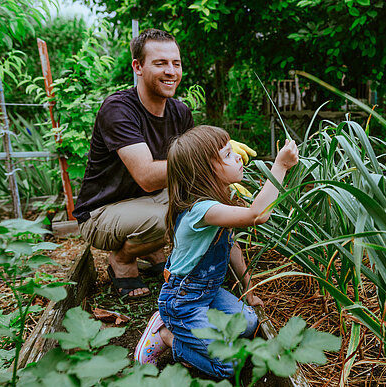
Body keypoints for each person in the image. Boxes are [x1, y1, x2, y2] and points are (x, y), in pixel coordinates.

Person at [72, 28, 256, 299]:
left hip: (148, 201)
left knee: (205, 203)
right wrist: (207, 159)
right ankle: (122, 260)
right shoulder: (119, 109)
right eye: (160, 63)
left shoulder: (180, 112)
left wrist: (223, 186)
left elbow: (193, 178)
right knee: (175, 217)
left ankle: (152, 249)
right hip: (102, 211)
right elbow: (146, 175)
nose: (171, 71)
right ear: (138, 66)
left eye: (176, 63)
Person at [133, 125, 298, 378]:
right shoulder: (202, 210)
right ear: (206, 171)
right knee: (229, 366)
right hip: (183, 300)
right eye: (228, 155)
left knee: (251, 322)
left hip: (207, 293)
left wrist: (249, 289)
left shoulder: (220, 202)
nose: (238, 158)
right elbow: (257, 215)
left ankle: (189, 331)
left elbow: (231, 247)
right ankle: (167, 336)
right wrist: (280, 167)